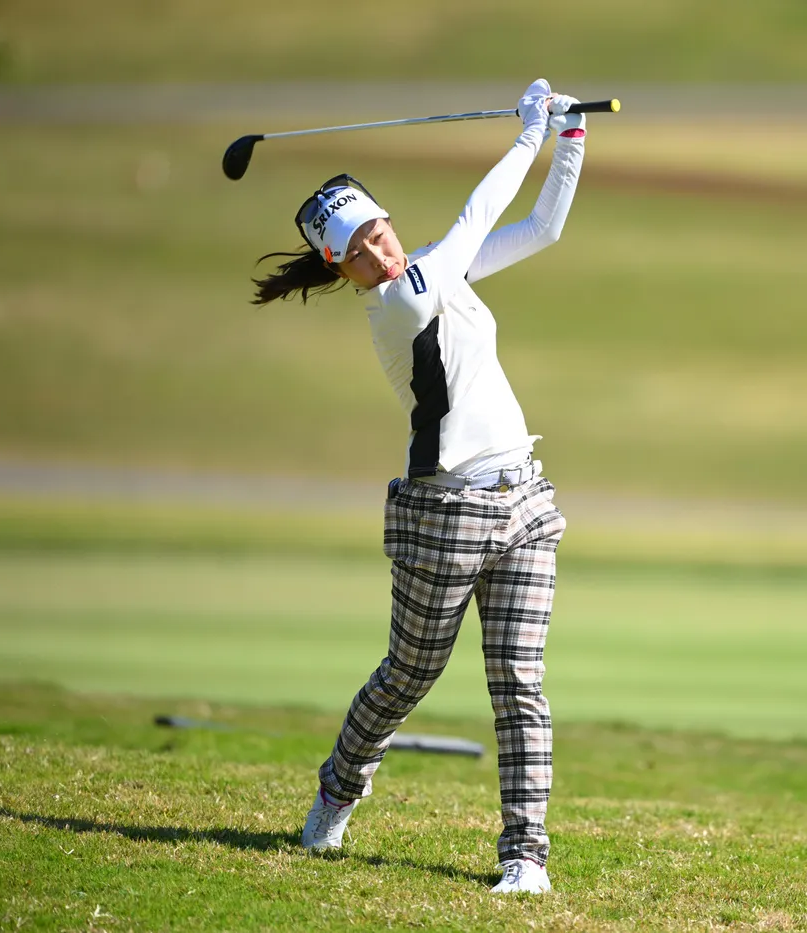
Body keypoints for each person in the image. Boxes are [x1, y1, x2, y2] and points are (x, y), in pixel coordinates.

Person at [249, 79, 585, 895]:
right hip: (445, 512)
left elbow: (541, 228)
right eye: (359, 249)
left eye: (380, 232)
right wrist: (527, 133)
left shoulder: (438, 271)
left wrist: (569, 139)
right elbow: (474, 217)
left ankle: (525, 858)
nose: (380, 252)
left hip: (524, 499)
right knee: (409, 672)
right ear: (339, 265)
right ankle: (338, 789)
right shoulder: (401, 299)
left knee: (520, 684)